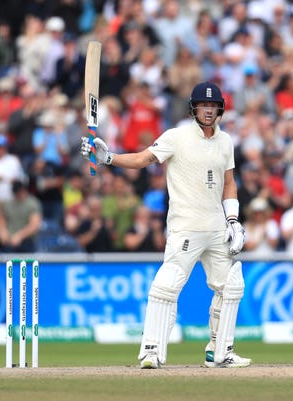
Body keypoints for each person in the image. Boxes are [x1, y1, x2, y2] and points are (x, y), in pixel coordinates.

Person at [80, 82, 249, 369]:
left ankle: (220, 352)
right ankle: (152, 351)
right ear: (193, 108)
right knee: (167, 285)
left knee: (231, 287)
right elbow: (142, 159)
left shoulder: (226, 142)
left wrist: (233, 219)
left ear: (219, 108)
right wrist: (108, 158)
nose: (208, 110)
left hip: (217, 227)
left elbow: (229, 184)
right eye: (202, 105)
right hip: (185, 226)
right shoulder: (176, 136)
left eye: (212, 106)